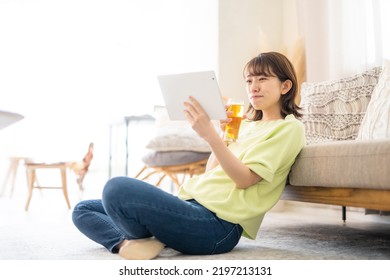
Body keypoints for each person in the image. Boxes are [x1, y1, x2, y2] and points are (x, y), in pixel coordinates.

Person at [72, 51, 305, 260]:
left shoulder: (288, 128)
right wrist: (223, 137)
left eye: (262, 79)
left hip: (218, 226)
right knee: (83, 209)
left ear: (285, 86)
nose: (253, 87)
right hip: (190, 205)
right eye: (249, 80)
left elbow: (244, 180)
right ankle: (126, 243)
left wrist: (210, 136)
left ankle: (152, 235)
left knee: (116, 189)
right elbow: (211, 173)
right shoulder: (244, 126)